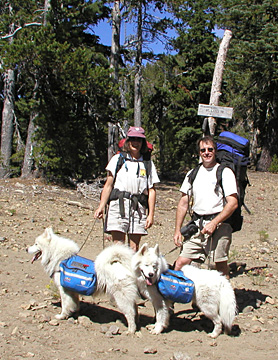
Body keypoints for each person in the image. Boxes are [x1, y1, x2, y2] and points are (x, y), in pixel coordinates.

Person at [173, 135, 238, 278]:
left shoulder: (225, 172)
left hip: (220, 225)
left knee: (219, 266)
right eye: (203, 150)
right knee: (180, 263)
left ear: (215, 151)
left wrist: (214, 223)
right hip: (197, 225)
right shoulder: (192, 174)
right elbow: (183, 203)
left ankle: (224, 298)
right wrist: (177, 230)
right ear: (199, 153)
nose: (206, 152)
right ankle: (178, 296)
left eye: (210, 149)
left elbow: (233, 203)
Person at [94, 126, 160, 251]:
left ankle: (131, 270)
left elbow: (152, 190)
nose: (136, 142)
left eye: (139, 140)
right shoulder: (117, 159)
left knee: (134, 249)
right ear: (128, 141)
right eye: (133, 139)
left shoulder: (148, 163)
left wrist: (151, 214)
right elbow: (108, 185)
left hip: (139, 207)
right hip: (119, 204)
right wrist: (101, 206)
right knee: (118, 246)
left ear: (143, 143)